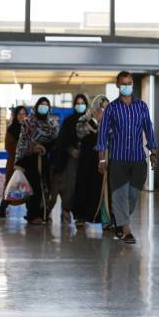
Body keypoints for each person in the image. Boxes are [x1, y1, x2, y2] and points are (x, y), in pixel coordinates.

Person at [96, 71, 158, 244]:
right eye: (123, 83)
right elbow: (102, 135)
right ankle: (126, 229)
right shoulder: (112, 108)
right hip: (118, 159)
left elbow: (148, 129)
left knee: (133, 195)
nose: (127, 86)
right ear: (117, 85)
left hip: (138, 158)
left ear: (132, 84)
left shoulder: (142, 106)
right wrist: (101, 158)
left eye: (129, 83)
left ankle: (119, 219)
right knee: (120, 195)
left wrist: (153, 151)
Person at [15, 97, 59, 224]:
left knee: (46, 187)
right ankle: (33, 215)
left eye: (46, 106)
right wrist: (33, 148)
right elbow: (22, 141)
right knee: (33, 187)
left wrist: (44, 148)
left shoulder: (52, 123)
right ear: (36, 106)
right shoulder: (28, 122)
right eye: (41, 105)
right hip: (30, 160)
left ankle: (44, 213)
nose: (44, 108)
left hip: (45, 159)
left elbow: (55, 142)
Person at [73, 95, 108, 226]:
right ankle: (80, 216)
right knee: (83, 185)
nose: (104, 110)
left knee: (99, 188)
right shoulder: (84, 119)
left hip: (102, 158)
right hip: (87, 158)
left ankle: (99, 217)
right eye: (102, 106)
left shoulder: (110, 121)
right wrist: (94, 120)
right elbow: (80, 133)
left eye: (106, 107)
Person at [54, 94, 88, 225]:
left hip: (85, 161)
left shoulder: (89, 121)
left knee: (83, 187)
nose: (80, 105)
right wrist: (70, 150)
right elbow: (62, 141)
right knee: (70, 187)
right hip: (70, 160)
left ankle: (80, 216)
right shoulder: (68, 121)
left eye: (82, 103)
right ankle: (66, 210)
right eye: (78, 103)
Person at [0, 105, 27, 217]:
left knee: (27, 186)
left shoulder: (28, 128)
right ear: (16, 116)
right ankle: (2, 208)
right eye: (19, 114)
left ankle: (31, 212)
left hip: (27, 162)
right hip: (14, 162)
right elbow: (8, 146)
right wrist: (21, 148)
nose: (22, 116)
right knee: (11, 185)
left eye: (24, 114)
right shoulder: (11, 129)